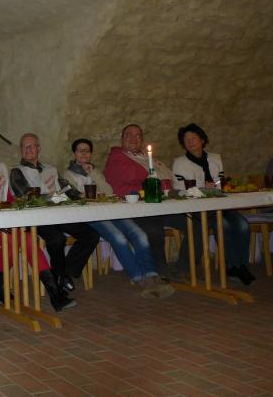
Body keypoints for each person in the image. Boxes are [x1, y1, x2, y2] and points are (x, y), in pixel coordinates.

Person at [0, 132, 73, 311]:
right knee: (13, 241)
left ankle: (54, 293)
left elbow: (9, 199)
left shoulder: (0, 169)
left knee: (28, 239)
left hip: (6, 220)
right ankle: (1, 288)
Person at [64, 138, 174, 298]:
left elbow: (109, 191)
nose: (84, 153)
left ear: (91, 154)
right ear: (74, 153)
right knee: (119, 238)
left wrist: (93, 174)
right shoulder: (68, 174)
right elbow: (74, 196)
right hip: (91, 215)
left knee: (140, 234)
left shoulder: (95, 171)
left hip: (110, 210)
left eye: (87, 150)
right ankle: (139, 278)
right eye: (80, 150)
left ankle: (151, 274)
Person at [104, 124, 201, 279]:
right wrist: (153, 179)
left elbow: (167, 180)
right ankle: (160, 270)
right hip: (135, 209)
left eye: (138, 135)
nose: (134, 138)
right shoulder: (117, 157)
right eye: (129, 135)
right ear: (122, 139)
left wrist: (155, 180)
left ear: (142, 139)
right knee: (153, 228)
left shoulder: (146, 158)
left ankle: (184, 266)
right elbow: (135, 176)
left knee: (197, 223)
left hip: (159, 206)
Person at [10, 133, 99, 297]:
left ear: (38, 149)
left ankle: (64, 273)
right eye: (25, 146)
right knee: (57, 239)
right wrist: (57, 197)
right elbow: (28, 197)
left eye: (32, 146)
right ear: (21, 150)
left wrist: (81, 195)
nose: (28, 149)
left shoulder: (51, 169)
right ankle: (60, 277)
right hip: (35, 218)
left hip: (59, 215)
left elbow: (67, 189)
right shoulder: (17, 171)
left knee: (91, 234)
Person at [172, 123, 254, 285]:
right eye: (186, 139)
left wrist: (217, 186)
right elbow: (180, 190)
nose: (190, 141)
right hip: (198, 208)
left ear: (202, 140)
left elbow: (221, 184)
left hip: (219, 204)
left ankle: (241, 265)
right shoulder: (179, 163)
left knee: (243, 224)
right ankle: (231, 267)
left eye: (193, 138)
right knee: (223, 225)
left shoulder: (215, 158)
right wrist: (202, 187)